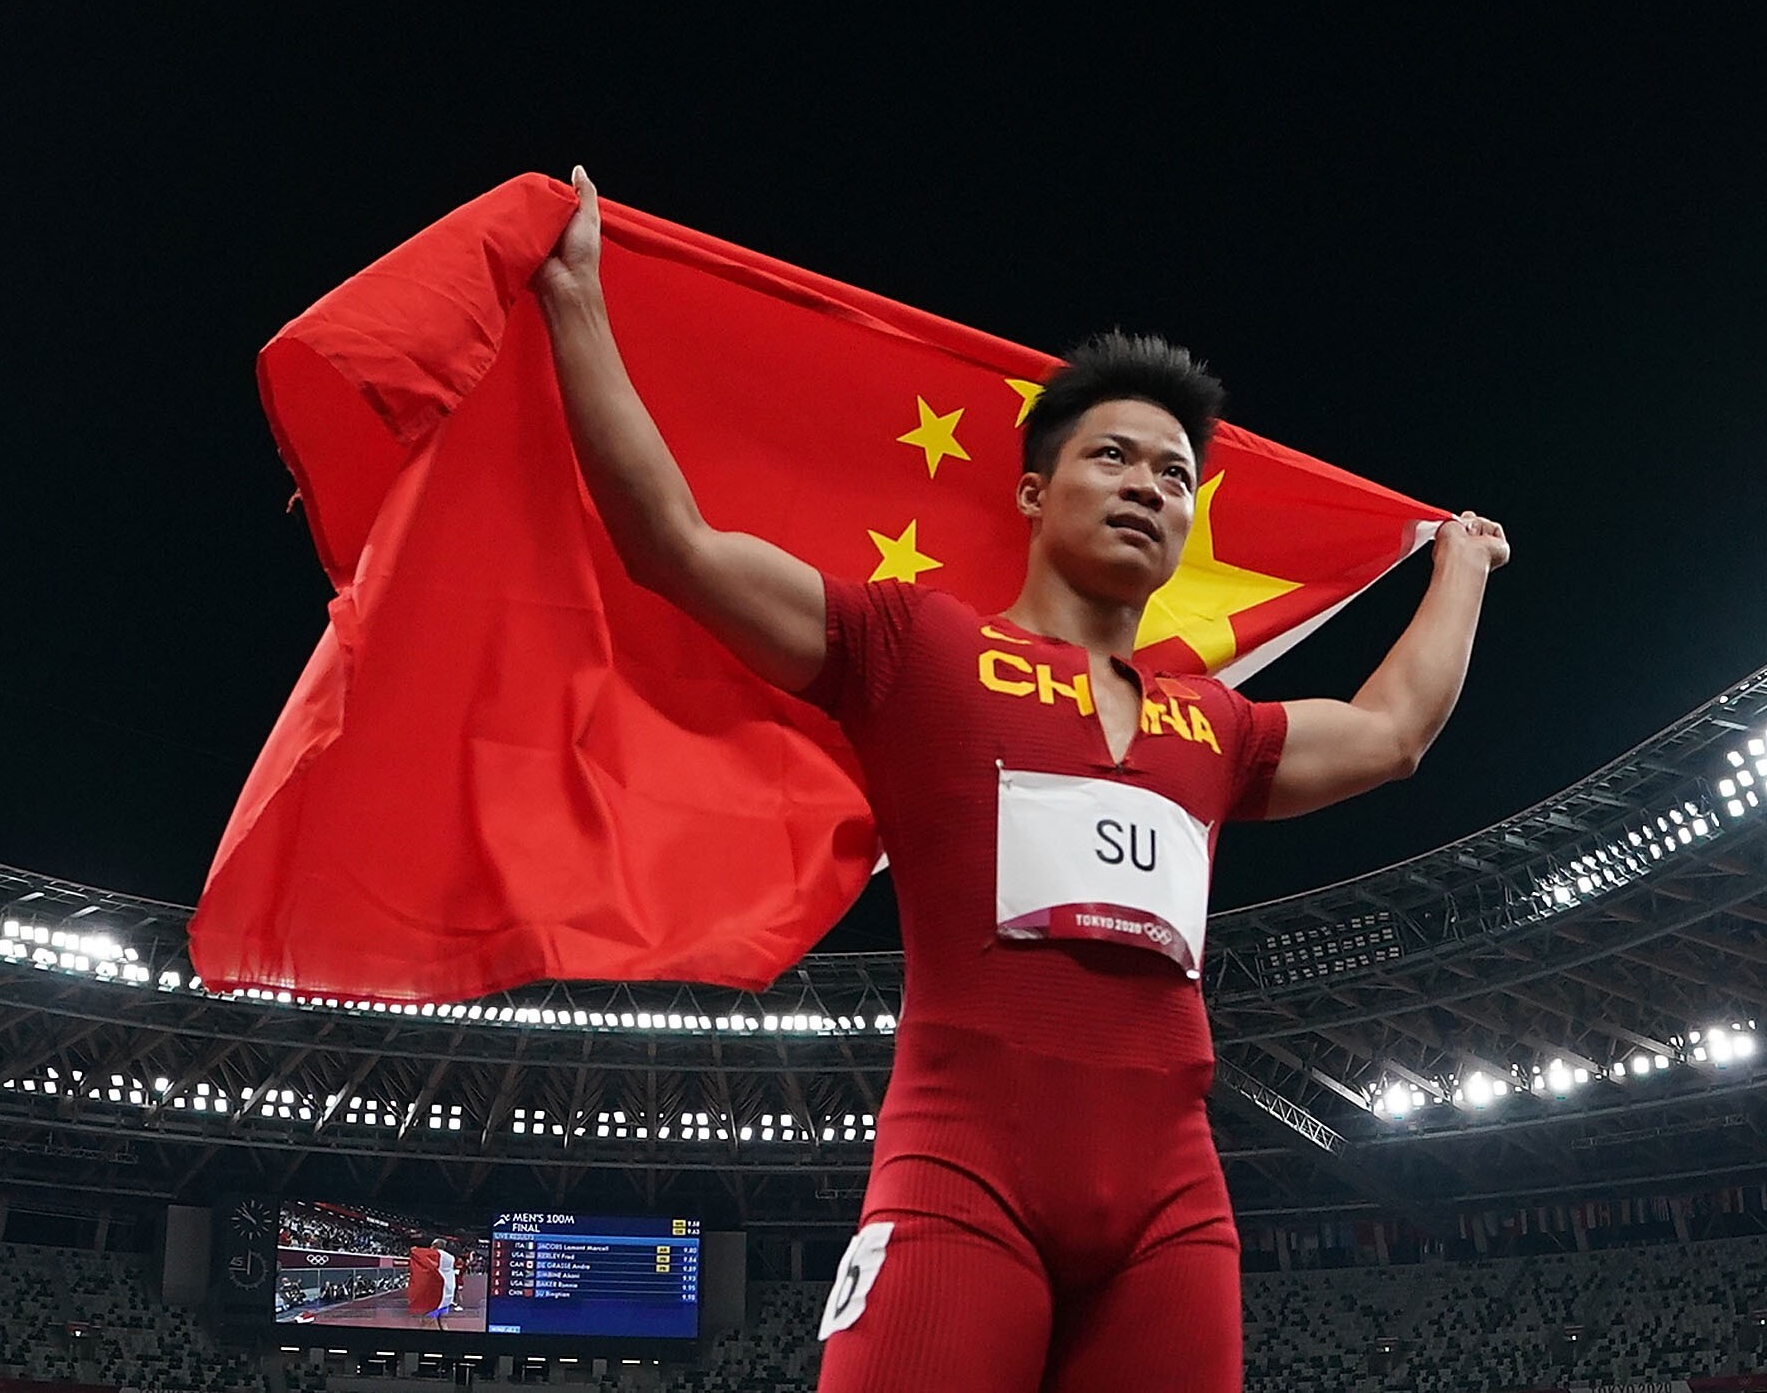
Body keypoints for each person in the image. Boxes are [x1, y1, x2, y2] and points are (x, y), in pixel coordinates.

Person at [531, 167, 1508, 1393]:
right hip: (959, 1182)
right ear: (1037, 491)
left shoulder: (1213, 725)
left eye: (1175, 476)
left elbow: (1393, 731)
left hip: (1173, 1213)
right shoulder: (916, 650)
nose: (1152, 485)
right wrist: (577, 298)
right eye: (1117, 457)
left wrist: (1460, 563)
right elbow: (673, 542)